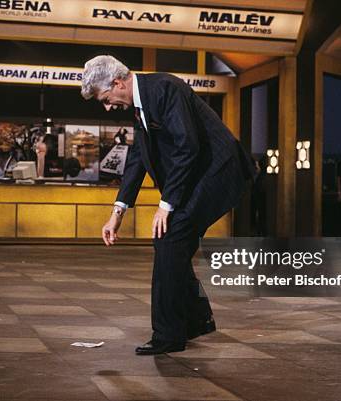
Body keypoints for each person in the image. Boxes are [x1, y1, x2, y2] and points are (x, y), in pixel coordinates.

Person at [81, 55, 254, 355]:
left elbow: (188, 146)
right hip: (200, 175)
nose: (108, 107)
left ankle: (169, 335)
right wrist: (117, 212)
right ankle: (197, 319)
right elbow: (138, 159)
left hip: (219, 171)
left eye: (106, 99)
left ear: (118, 83)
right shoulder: (142, 104)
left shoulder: (163, 89)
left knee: (169, 238)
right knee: (173, 246)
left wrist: (167, 204)